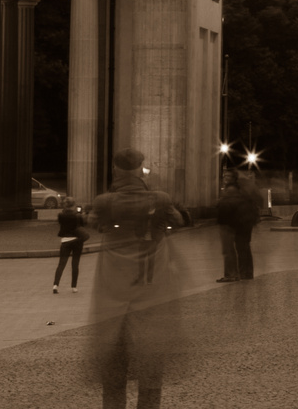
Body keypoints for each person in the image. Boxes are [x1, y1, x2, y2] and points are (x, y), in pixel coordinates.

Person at [88, 148, 185, 409]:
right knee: (152, 361)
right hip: (152, 292)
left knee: (113, 363)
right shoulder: (160, 199)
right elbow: (178, 221)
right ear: (141, 169)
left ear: (115, 169)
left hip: (113, 295)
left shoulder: (104, 202)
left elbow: (93, 222)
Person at [215, 169, 256, 282]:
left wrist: (219, 202)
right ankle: (245, 273)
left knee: (229, 250)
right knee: (243, 248)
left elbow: (228, 206)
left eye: (228, 176)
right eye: (224, 176)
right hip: (242, 222)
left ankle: (232, 274)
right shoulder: (240, 190)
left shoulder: (232, 190)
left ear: (234, 178)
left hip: (231, 222)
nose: (225, 179)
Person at [53, 197, 89, 293]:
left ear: (65, 205)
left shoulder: (60, 215)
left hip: (65, 240)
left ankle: (55, 285)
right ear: (73, 205)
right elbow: (82, 225)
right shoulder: (77, 216)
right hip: (77, 240)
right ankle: (74, 287)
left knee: (61, 264)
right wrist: (82, 215)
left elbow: (61, 224)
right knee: (75, 263)